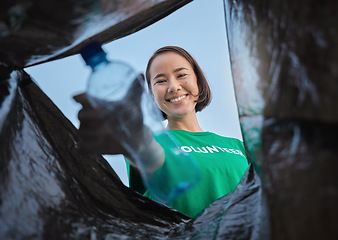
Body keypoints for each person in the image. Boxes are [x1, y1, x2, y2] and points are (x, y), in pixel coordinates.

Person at [74, 46, 249, 218]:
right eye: (161, 81)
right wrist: (138, 141)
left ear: (198, 81)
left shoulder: (239, 146)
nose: (173, 87)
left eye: (181, 75)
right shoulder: (151, 141)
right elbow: (151, 158)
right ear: (150, 95)